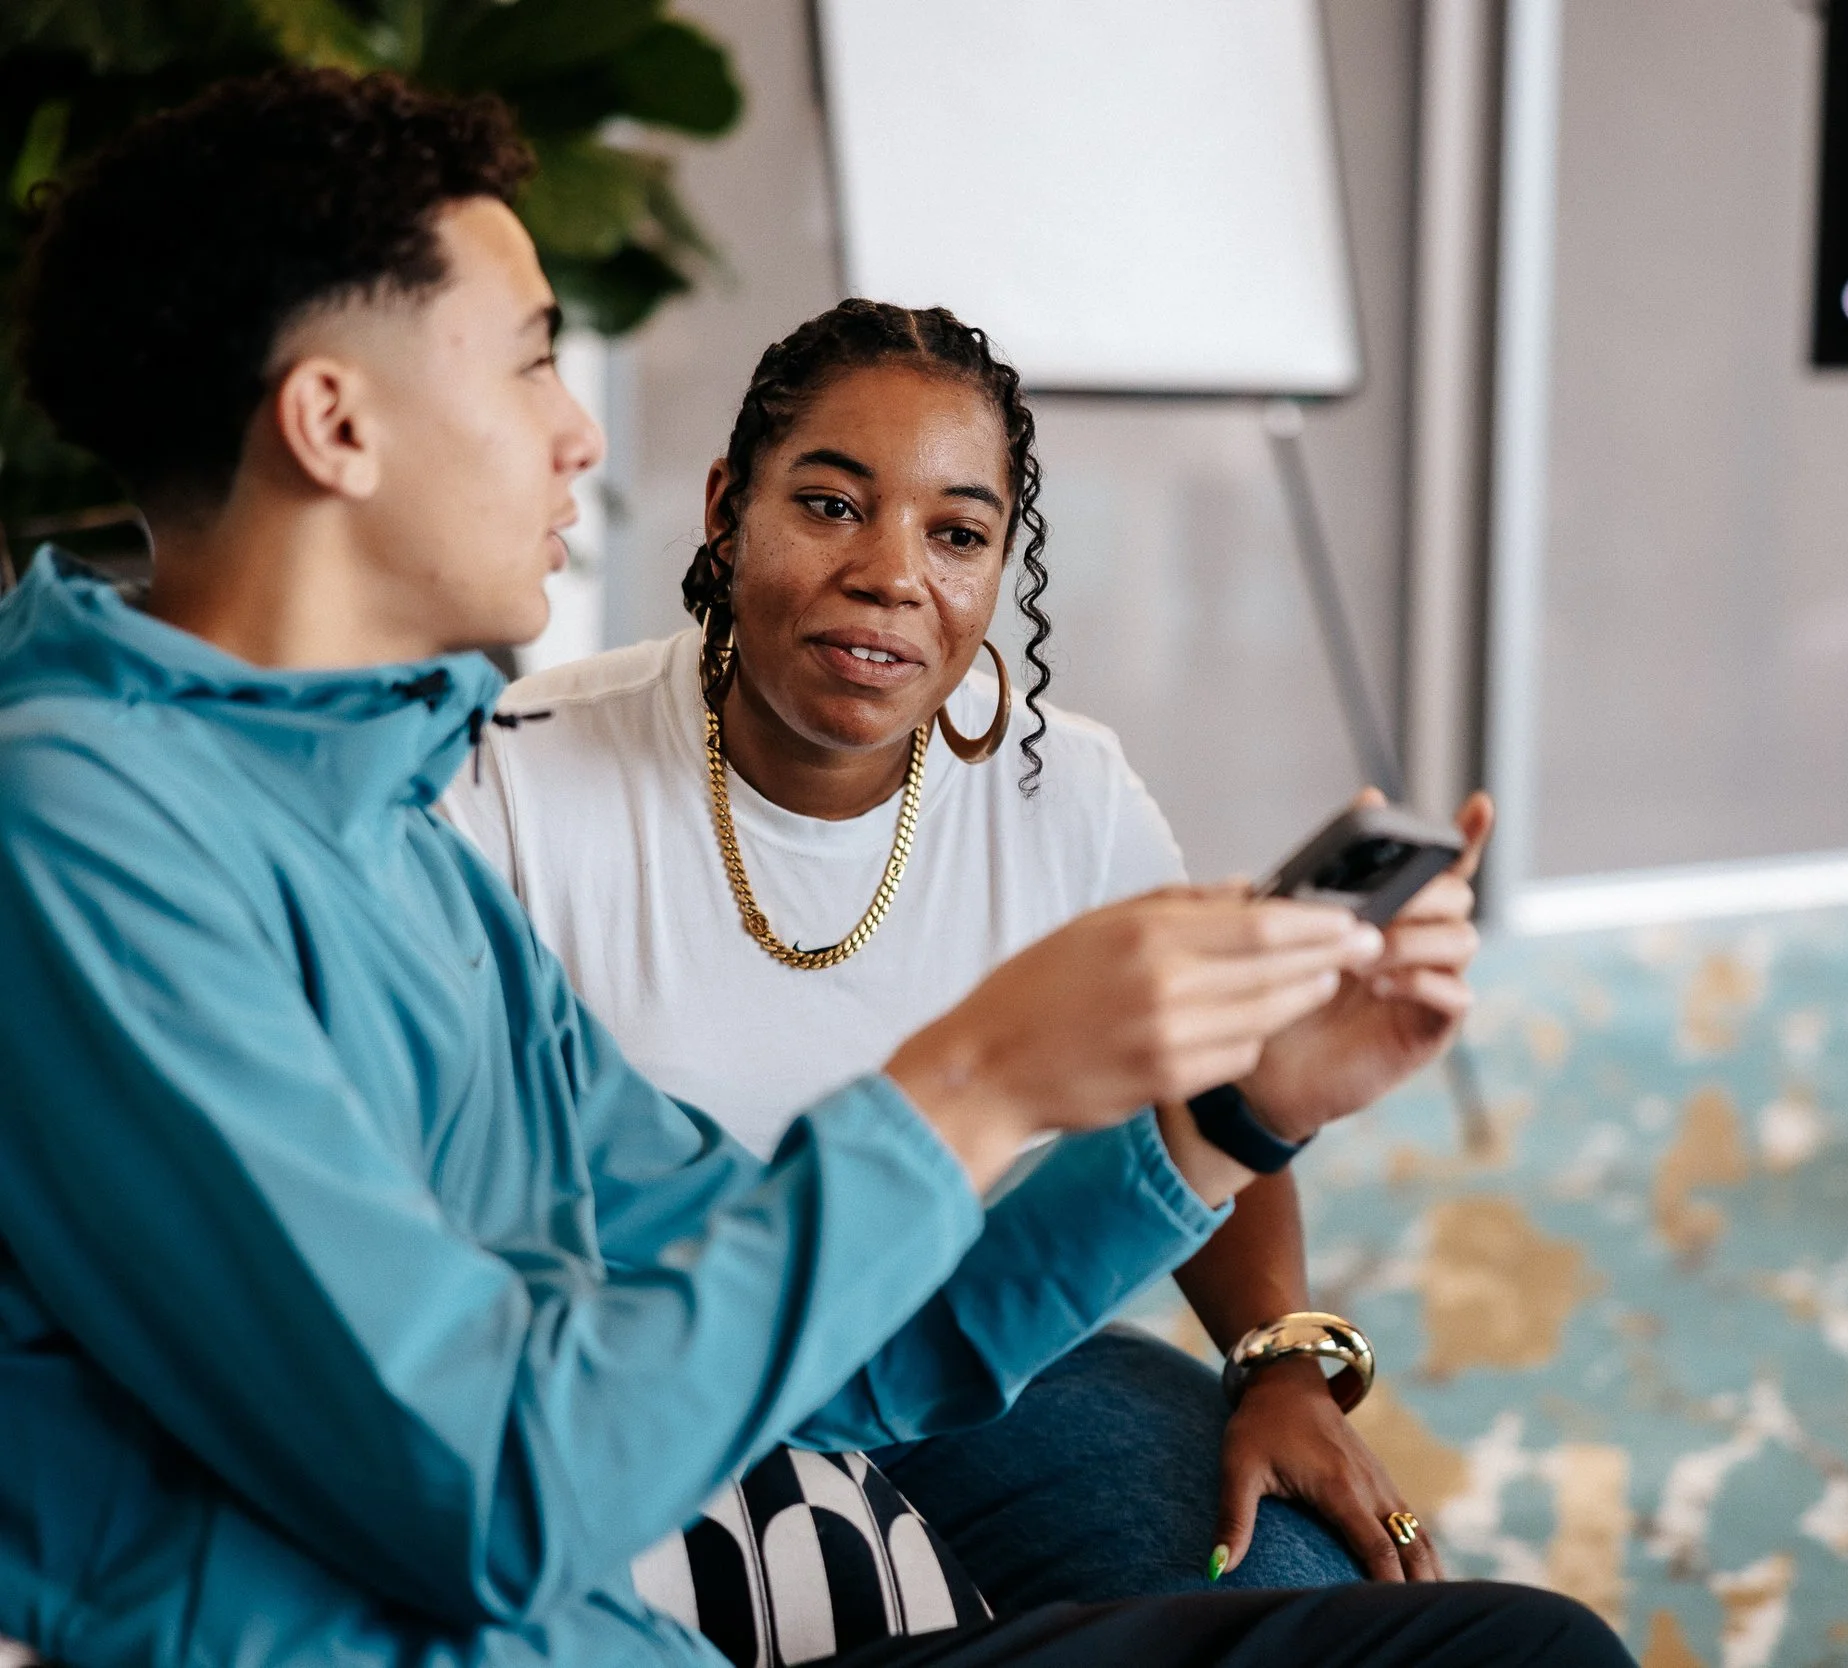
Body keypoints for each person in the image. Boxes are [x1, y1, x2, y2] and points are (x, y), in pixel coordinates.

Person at [0, 68, 1629, 1668]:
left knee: (1507, 1649)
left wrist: (1234, 1115)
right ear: (334, 422)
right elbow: (497, 1490)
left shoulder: (375, 836)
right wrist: (979, 1076)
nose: (578, 436)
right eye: (530, 366)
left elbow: (837, 1348)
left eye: (958, 533)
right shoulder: (84, 832)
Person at [436, 296, 1498, 1610]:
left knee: (1306, 1597)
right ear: (725, 509)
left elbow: (1211, 1099)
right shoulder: (516, 781)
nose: (891, 573)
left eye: (956, 532)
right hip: (658, 1356)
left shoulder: (1070, 786)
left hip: (995, 1348)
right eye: (830, 505)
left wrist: (1278, 1367)